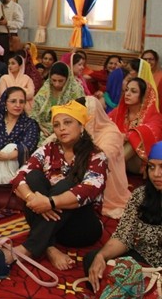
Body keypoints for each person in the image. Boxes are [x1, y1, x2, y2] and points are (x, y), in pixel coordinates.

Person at [9, 100, 107, 270]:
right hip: (53, 223)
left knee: (68, 183)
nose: (61, 128)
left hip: (81, 228)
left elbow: (88, 190)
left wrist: (50, 203)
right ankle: (49, 246)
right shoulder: (48, 149)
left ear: (81, 126)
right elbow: (19, 177)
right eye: (57, 125)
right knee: (33, 177)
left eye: (68, 123)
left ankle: (29, 248)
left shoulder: (96, 155)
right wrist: (33, 198)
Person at [85, 140, 162, 291]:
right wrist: (102, 256)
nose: (156, 174)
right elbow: (123, 236)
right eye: (152, 167)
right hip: (144, 261)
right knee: (92, 260)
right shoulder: (141, 195)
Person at [0, 87, 40, 185]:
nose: (18, 105)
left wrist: (6, 156)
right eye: (13, 101)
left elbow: (28, 146)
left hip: (14, 168)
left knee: (11, 147)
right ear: (5, 103)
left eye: (21, 102)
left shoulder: (30, 124)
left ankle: (5, 188)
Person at [82, 96, 130, 219]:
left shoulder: (111, 132)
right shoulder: (80, 129)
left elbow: (104, 157)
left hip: (107, 181)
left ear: (93, 113)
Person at [109, 74, 162, 174]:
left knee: (136, 136)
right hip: (116, 154)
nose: (127, 94)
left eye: (133, 91)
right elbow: (104, 125)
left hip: (139, 163)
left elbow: (150, 134)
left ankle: (107, 168)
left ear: (144, 96)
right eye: (127, 90)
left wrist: (127, 136)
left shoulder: (155, 117)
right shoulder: (118, 112)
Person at [31, 62, 85, 142]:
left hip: (67, 129)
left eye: (60, 81)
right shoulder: (46, 89)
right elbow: (35, 110)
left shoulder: (75, 90)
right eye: (54, 80)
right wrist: (39, 126)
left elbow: (79, 115)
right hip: (44, 128)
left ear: (67, 79)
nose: (56, 84)